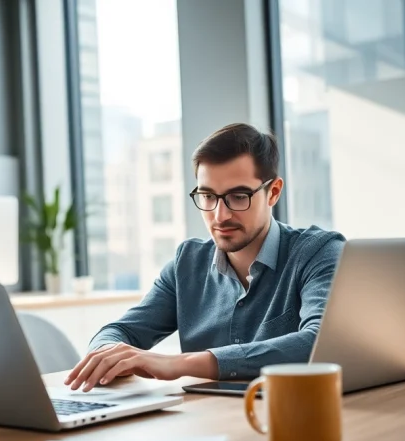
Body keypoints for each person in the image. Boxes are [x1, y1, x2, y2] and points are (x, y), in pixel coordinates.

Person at [65, 123, 345, 392]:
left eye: (238, 196)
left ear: (273, 192)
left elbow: (321, 342)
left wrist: (182, 364)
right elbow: (120, 332)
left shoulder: (319, 252)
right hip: (206, 422)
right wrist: (107, 356)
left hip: (288, 419)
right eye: (207, 196)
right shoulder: (187, 263)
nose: (220, 216)